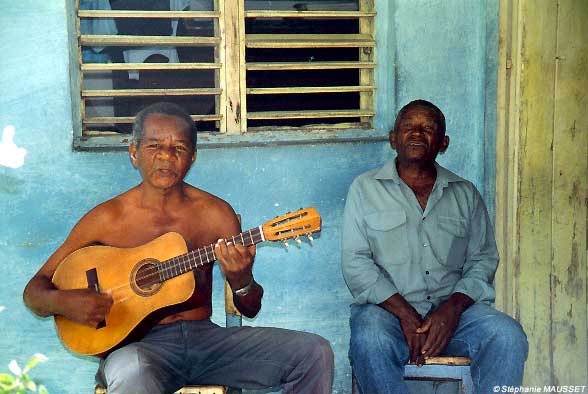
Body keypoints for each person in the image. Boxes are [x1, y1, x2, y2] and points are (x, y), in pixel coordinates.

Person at [23, 102, 334, 394]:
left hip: (208, 341)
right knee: (130, 372)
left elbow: (249, 308)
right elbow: (34, 291)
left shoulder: (215, 214)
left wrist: (242, 282)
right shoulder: (106, 218)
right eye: (154, 145)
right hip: (138, 348)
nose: (166, 156)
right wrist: (65, 302)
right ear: (134, 153)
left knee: (313, 352)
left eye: (179, 148)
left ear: (192, 158)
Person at [341, 99, 528, 394]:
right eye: (408, 127)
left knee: (507, 336)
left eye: (427, 128)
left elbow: (483, 259)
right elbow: (355, 263)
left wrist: (451, 310)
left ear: (443, 143)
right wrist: (404, 313)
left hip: (453, 317)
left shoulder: (464, 193)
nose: (417, 134)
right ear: (393, 138)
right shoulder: (365, 189)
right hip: (387, 314)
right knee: (370, 339)